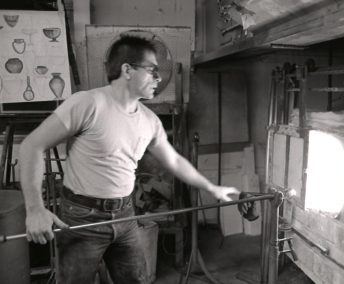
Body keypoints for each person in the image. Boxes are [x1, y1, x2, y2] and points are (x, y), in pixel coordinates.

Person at [19, 35, 240, 283]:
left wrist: (212, 187)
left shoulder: (149, 120)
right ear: (127, 70)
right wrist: (35, 209)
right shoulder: (88, 104)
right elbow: (31, 146)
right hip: (83, 218)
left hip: (126, 216)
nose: (158, 78)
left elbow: (175, 161)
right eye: (152, 70)